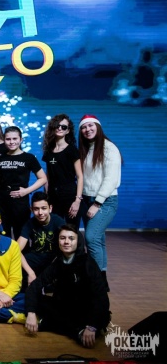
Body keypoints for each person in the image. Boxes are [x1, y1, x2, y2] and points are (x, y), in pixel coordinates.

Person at [24, 224, 111, 348]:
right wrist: (31, 313)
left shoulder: (87, 263)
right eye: (62, 238)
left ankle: (58, 326)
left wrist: (92, 326)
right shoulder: (58, 262)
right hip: (67, 308)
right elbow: (35, 286)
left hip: (87, 310)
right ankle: (74, 330)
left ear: (78, 241)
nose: (66, 242)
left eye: (71, 238)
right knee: (37, 300)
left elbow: (101, 297)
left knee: (102, 316)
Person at [78, 115, 122, 288]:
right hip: (87, 199)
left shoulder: (109, 148)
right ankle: (101, 280)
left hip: (105, 201)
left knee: (91, 237)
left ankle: (95, 280)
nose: (87, 129)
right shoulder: (85, 149)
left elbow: (111, 179)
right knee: (99, 240)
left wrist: (97, 203)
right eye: (84, 127)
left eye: (91, 126)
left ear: (98, 127)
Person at [0, 126, 47, 240]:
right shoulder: (0, 158)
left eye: (15, 139)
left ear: (21, 140)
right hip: (2, 202)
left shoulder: (29, 158)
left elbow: (43, 178)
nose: (11, 142)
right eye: (8, 139)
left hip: (20, 203)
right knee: (2, 236)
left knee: (21, 235)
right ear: (4, 140)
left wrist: (26, 191)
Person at [42, 114, 83, 228]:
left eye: (63, 127)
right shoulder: (48, 151)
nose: (60, 128)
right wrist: (47, 197)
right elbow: (48, 176)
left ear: (68, 131)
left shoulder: (72, 150)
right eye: (57, 125)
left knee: (71, 230)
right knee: (54, 229)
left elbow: (80, 176)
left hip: (70, 196)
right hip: (53, 197)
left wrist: (77, 201)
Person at [17, 192, 65, 287]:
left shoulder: (58, 222)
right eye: (36, 209)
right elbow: (16, 249)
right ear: (31, 210)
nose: (40, 213)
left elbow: (68, 245)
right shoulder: (29, 224)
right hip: (37, 256)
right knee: (15, 262)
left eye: (43, 208)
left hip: (54, 257)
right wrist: (30, 272)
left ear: (50, 208)